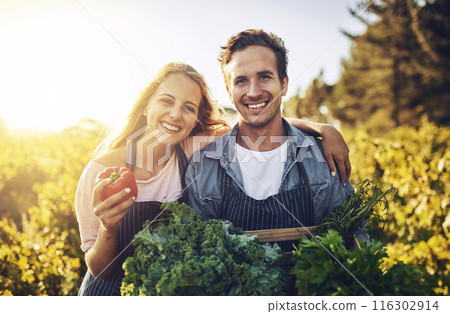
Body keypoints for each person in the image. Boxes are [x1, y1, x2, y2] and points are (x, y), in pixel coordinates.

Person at [75, 62, 351, 296]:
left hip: (162, 290)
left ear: (195, 119)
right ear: (146, 106)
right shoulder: (99, 172)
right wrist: (109, 230)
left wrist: (323, 129)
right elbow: (98, 268)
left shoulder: (189, 149)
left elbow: (256, 123)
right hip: (108, 291)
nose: (175, 114)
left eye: (188, 107)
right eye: (166, 101)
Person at [185, 29, 355, 251]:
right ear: (229, 90)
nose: (253, 92)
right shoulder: (203, 167)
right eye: (241, 81)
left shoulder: (322, 158)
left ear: (284, 84)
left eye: (264, 77)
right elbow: (194, 254)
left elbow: (354, 238)